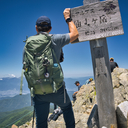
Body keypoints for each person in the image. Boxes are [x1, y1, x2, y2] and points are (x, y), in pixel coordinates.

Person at [30, 8, 79, 128]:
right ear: (50, 28)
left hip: (38, 89)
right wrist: (68, 18)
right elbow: (75, 34)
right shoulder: (55, 39)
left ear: (36, 28)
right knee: (67, 108)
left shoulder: (29, 43)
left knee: (41, 122)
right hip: (56, 88)